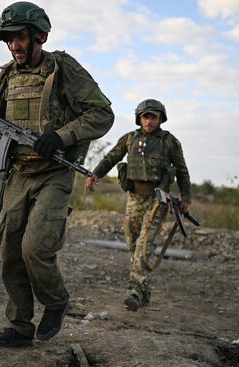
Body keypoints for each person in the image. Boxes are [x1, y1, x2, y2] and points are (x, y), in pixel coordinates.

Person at [0, 1, 114, 347]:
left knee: (35, 248)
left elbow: (102, 114)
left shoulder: (62, 69)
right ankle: (20, 327)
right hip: (17, 173)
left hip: (53, 173)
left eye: (19, 38)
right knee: (10, 251)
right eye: (8, 40)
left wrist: (60, 136)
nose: (14, 46)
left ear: (39, 36)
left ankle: (56, 301)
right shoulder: (8, 74)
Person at [84, 99, 191, 311]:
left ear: (160, 119)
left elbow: (182, 170)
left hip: (157, 199)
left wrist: (186, 197)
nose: (149, 121)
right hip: (134, 197)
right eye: (145, 117)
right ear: (139, 118)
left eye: (153, 117)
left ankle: (134, 289)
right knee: (133, 242)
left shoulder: (169, 142)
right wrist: (95, 174)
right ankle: (144, 290)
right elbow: (111, 157)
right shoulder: (130, 139)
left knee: (144, 244)